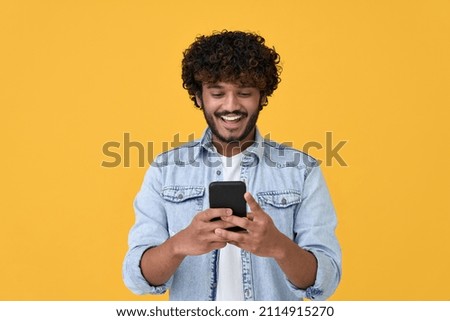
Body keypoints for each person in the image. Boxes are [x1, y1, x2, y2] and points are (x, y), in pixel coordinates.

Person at [122, 30, 341, 301]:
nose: (231, 105)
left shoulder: (301, 170)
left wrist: (279, 246)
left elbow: (326, 281)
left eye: (245, 93)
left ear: (262, 97)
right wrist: (179, 244)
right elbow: (137, 279)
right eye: (217, 93)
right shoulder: (165, 169)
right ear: (199, 97)